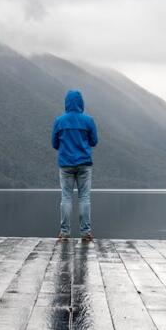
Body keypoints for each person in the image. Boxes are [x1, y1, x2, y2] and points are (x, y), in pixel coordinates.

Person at [51, 89, 98, 240]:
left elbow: (54, 143)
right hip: (84, 164)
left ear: (66, 103)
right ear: (81, 103)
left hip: (65, 165)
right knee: (84, 198)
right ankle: (85, 232)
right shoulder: (88, 120)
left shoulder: (59, 121)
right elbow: (94, 141)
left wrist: (66, 146)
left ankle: (64, 232)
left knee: (66, 198)